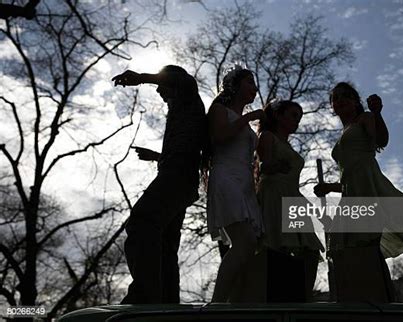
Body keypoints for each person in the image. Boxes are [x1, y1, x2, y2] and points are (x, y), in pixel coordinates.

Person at [313, 82, 403, 302]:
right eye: (335, 98)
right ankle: (358, 298)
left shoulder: (365, 118)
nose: (339, 100)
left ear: (355, 101)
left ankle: (378, 300)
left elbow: (381, 140)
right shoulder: (345, 131)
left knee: (363, 244)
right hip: (350, 191)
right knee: (343, 245)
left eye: (345, 96)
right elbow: (348, 175)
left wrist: (377, 114)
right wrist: (330, 187)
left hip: (367, 187)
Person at [112, 65, 206, 304]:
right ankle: (166, 301)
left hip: (177, 176)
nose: (158, 91)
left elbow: (181, 80)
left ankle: (145, 294)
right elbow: (187, 147)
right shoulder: (183, 111)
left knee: (142, 222)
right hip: (180, 176)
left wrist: (141, 77)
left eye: (160, 86)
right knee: (165, 244)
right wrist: (156, 156)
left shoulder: (187, 93)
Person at [205, 65, 265, 302]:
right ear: (235, 85)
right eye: (249, 82)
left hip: (245, 183)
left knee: (250, 248)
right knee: (244, 242)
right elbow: (220, 136)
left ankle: (237, 302)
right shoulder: (220, 110)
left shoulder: (245, 124)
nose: (254, 87)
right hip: (226, 176)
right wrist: (249, 117)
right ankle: (217, 303)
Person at [255, 100, 325, 302]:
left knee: (310, 249)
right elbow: (262, 167)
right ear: (278, 115)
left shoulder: (287, 145)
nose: (297, 121)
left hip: (293, 197)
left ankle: (302, 299)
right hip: (274, 195)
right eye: (293, 115)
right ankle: (277, 301)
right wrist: (274, 166)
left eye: (299, 117)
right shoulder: (267, 137)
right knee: (279, 247)